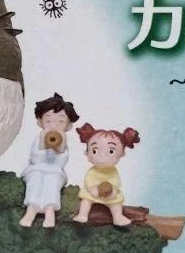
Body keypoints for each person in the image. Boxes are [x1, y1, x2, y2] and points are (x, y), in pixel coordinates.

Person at [20, 93, 80, 228]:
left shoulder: (63, 140)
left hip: (55, 171)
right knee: (35, 180)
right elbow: (35, 159)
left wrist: (60, 147)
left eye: (60, 122)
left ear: (69, 125)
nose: (54, 126)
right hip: (36, 169)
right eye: (48, 121)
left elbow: (61, 162)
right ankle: (31, 209)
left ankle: (49, 211)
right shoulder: (40, 138)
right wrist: (43, 143)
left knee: (53, 182)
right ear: (39, 122)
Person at [72, 123, 141, 226]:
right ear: (87, 153)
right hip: (93, 192)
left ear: (121, 154)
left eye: (111, 151)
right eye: (94, 150)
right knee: (86, 200)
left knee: (116, 203)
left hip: (109, 195)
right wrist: (92, 188)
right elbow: (88, 181)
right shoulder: (92, 171)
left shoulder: (113, 172)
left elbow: (116, 182)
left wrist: (113, 189)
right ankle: (82, 215)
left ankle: (118, 217)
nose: (102, 156)